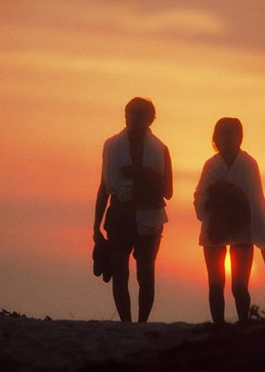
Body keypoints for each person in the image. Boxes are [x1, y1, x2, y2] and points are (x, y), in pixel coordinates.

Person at [194, 117, 265, 324]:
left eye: (230, 133)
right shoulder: (211, 165)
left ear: (240, 137)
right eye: (222, 133)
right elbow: (200, 197)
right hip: (214, 229)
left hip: (243, 230)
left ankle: (244, 324)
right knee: (215, 284)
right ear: (215, 138)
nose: (226, 137)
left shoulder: (249, 165)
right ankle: (218, 326)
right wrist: (217, 198)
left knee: (239, 286)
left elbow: (256, 200)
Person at [93, 97, 173, 322]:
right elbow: (104, 187)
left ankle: (142, 323)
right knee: (120, 273)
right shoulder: (111, 147)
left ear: (150, 120)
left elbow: (168, 191)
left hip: (149, 216)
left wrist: (141, 173)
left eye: (140, 115)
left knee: (145, 274)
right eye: (131, 114)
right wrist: (96, 225)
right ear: (125, 115)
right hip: (120, 214)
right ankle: (126, 323)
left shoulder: (161, 150)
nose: (135, 119)